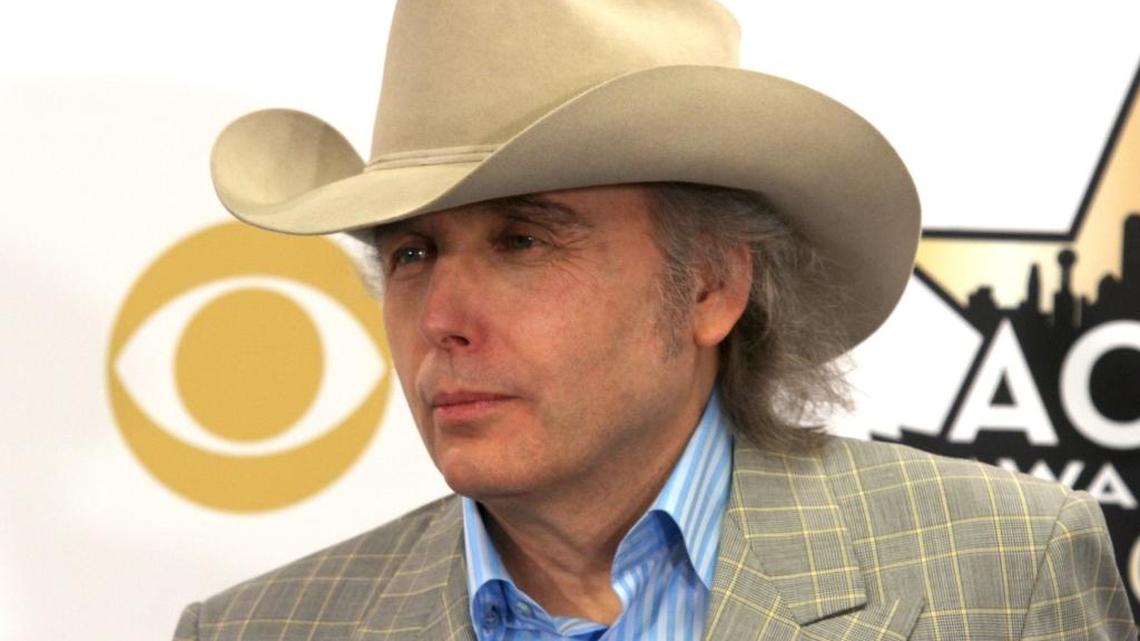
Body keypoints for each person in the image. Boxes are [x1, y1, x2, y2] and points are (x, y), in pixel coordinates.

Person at [175, 1, 1137, 639]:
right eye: (411, 252)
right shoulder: (261, 628)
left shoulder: (1004, 571)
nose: (441, 319)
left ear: (713, 286)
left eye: (523, 241)